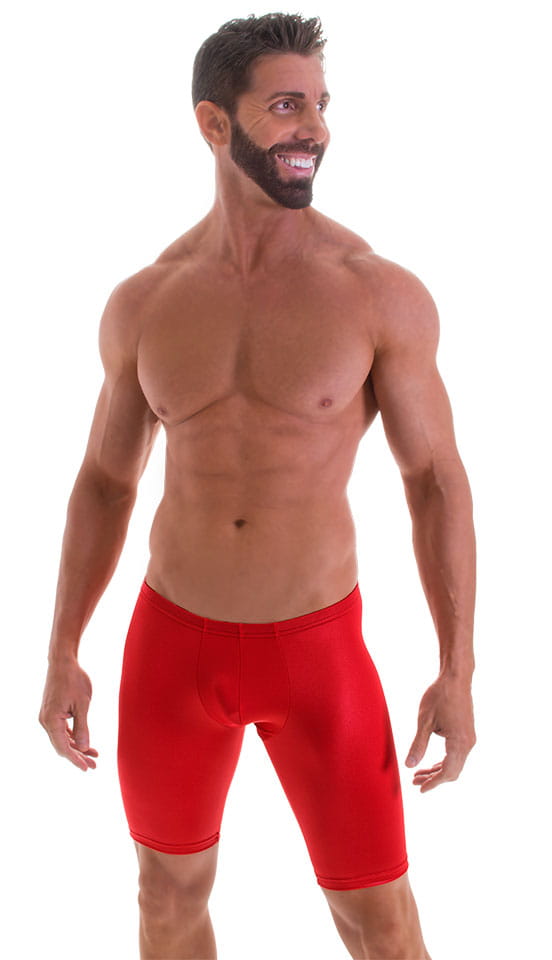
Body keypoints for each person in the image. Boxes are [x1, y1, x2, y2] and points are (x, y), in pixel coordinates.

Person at [39, 12, 476, 960]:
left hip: (319, 655)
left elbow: (435, 482)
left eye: (320, 104)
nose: (315, 127)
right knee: (165, 898)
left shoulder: (374, 292)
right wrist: (63, 647)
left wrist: (457, 668)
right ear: (213, 123)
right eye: (286, 106)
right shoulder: (147, 300)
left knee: (380, 918)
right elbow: (105, 482)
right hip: (172, 647)